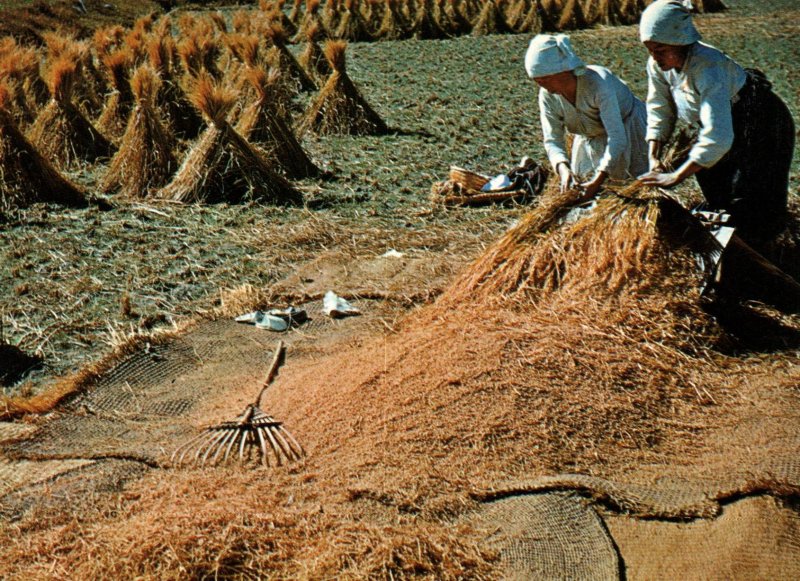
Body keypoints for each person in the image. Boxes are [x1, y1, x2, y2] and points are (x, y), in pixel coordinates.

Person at [637, 0, 795, 243]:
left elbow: (718, 136)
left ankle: (765, 262)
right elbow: (660, 108)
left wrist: (676, 177)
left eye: (660, 49)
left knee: (751, 202)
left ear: (680, 42)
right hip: (722, 123)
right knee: (718, 196)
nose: (654, 57)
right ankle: (732, 254)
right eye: (649, 49)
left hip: (760, 120)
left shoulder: (708, 65)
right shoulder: (658, 64)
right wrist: (654, 156)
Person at [525, 34, 649, 198]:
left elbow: (617, 138)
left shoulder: (598, 84)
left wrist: (598, 179)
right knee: (585, 197)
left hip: (629, 130)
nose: (543, 86)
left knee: (633, 192)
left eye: (546, 79)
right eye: (538, 81)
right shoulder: (548, 96)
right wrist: (563, 168)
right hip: (590, 138)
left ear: (563, 71)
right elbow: (552, 140)